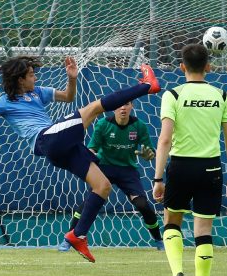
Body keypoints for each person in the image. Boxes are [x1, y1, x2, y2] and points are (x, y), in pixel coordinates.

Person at [0, 56, 161, 263]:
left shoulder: (38, 93)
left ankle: (78, 236)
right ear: (20, 79)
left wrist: (72, 77)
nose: (35, 78)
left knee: (103, 186)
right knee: (93, 109)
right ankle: (146, 86)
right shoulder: (5, 102)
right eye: (31, 75)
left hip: (60, 146)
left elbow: (68, 97)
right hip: (47, 140)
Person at [152, 43, 227, 276]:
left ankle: (177, 272)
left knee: (172, 220)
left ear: (182, 67)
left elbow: (165, 139)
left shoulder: (173, 95)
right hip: (211, 169)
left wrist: (158, 179)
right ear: (208, 67)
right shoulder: (221, 96)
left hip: (180, 167)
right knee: (204, 231)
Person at [57, 101, 165, 251]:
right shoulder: (103, 124)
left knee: (143, 205)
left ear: (131, 106)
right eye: (119, 105)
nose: (122, 107)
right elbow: (93, 148)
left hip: (127, 171)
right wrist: (84, 160)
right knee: (89, 203)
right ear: (113, 108)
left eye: (126, 104)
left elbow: (149, 153)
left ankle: (159, 240)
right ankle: (68, 240)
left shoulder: (139, 125)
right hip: (105, 168)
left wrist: (148, 155)